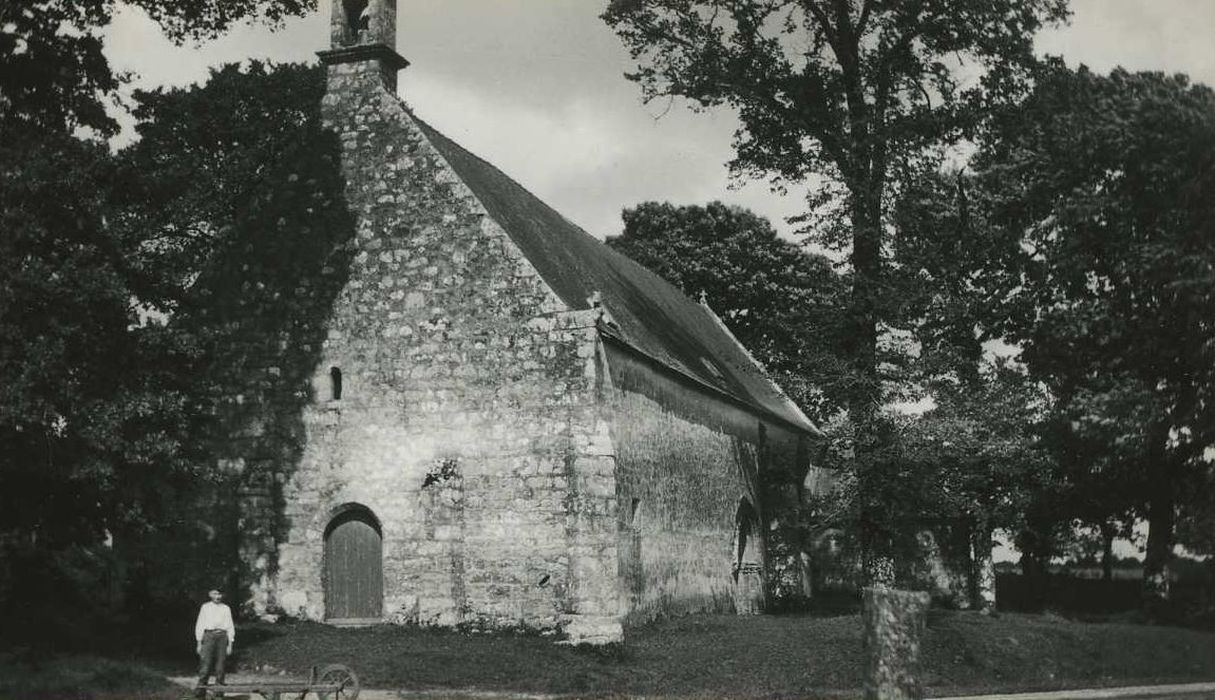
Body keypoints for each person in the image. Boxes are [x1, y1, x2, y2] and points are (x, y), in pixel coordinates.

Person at [194, 588, 235, 697]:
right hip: (208, 636)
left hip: (222, 637)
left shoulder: (226, 608)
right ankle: (200, 694)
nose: (217, 596)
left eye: (219, 594)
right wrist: (199, 643)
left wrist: (230, 644)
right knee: (205, 666)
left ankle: (218, 695)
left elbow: (230, 626)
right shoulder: (205, 607)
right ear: (210, 594)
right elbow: (200, 624)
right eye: (215, 593)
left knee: (220, 667)